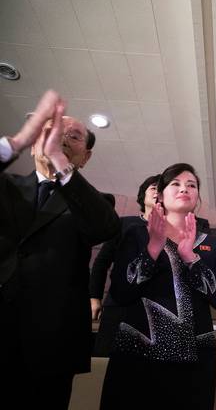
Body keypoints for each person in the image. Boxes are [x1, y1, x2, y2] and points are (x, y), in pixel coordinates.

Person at [0, 91, 120, 408]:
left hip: (52, 340)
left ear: (85, 156)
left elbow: (104, 228)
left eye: (74, 137)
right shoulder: (7, 186)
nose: (62, 138)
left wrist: (58, 159)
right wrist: (18, 140)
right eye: (52, 130)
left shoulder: (93, 201)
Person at [100, 163, 216, 409]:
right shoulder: (137, 235)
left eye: (191, 185)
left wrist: (191, 258)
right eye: (176, 184)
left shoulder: (213, 244)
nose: (185, 188)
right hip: (137, 349)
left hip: (195, 354)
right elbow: (121, 292)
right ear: (159, 195)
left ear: (197, 198)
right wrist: (152, 248)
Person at [89, 174, 160, 356]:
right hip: (118, 305)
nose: (157, 192)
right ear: (142, 195)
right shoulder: (123, 224)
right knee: (106, 357)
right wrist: (94, 297)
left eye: (162, 189)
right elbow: (101, 262)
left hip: (156, 309)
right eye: (153, 188)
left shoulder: (173, 230)